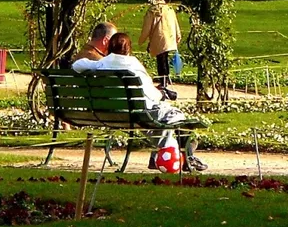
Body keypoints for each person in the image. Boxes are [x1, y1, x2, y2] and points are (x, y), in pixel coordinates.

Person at [73, 33, 206, 171]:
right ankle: (181, 154)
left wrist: (96, 64)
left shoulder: (101, 64)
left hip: (109, 114)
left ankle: (173, 154)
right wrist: (162, 93)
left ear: (109, 48)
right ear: (128, 49)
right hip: (137, 114)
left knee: (161, 122)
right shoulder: (133, 66)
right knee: (176, 116)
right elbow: (151, 94)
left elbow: (77, 65)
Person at [139, 0, 181, 94]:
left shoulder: (152, 11)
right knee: (164, 59)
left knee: (161, 61)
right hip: (169, 38)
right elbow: (176, 24)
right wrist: (178, 36)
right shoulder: (169, 9)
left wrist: (141, 40)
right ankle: (165, 81)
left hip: (159, 38)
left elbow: (146, 28)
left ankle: (163, 82)